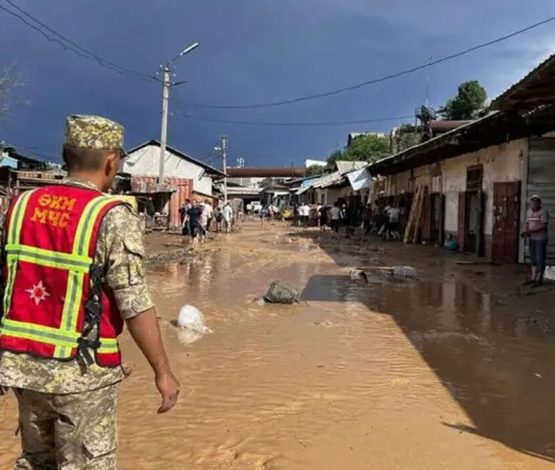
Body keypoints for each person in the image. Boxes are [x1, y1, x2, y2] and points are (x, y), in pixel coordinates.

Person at [0, 115, 179, 469]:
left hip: (24, 369)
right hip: (83, 375)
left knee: (36, 462)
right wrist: (163, 371)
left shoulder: (20, 206)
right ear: (112, 161)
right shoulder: (111, 216)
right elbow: (135, 304)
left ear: (66, 156)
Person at [522, 195, 550, 286]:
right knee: (533, 259)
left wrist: (531, 231)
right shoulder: (529, 212)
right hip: (532, 239)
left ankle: (539, 279)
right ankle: (533, 278)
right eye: (532, 202)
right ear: (530, 203)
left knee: (540, 258)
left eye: (536, 202)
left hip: (540, 239)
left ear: (539, 203)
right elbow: (526, 223)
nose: (534, 204)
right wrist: (525, 231)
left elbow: (543, 226)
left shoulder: (543, 212)